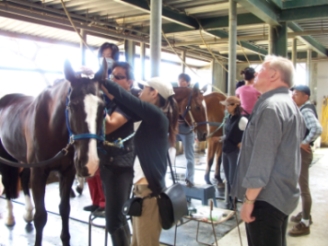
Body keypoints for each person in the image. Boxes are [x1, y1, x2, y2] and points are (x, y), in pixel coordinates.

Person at [231, 55, 305, 246]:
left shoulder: (271, 107)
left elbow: (262, 160)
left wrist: (249, 201)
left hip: (265, 199)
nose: (255, 73)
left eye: (261, 69)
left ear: (273, 75)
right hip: (281, 195)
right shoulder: (288, 104)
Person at [101, 76, 179, 246]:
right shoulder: (150, 117)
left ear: (154, 93)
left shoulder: (156, 115)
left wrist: (104, 80)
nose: (140, 91)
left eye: (144, 88)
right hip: (142, 191)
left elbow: (126, 98)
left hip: (148, 193)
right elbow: (123, 102)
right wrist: (102, 88)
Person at [97, 62, 136, 245]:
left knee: (113, 221)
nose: (113, 79)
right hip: (108, 164)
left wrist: (95, 106)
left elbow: (109, 126)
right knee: (117, 217)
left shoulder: (128, 103)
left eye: (119, 77)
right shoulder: (111, 102)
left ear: (130, 82)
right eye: (112, 76)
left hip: (120, 166)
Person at [83, 42, 120, 213]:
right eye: (103, 55)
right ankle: (95, 200)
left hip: (108, 123)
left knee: (101, 168)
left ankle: (104, 202)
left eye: (109, 56)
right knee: (91, 167)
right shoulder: (95, 76)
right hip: (93, 125)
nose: (106, 59)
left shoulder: (116, 77)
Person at [289, 85, 322, 236]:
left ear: (305, 97)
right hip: (301, 153)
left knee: (304, 189)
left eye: (296, 94)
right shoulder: (305, 108)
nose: (293, 96)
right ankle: (304, 213)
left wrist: (305, 142)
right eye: (293, 94)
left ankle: (306, 223)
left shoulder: (306, 110)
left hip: (303, 154)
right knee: (303, 187)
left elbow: (317, 128)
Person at [219, 96, 248, 210]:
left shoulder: (242, 120)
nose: (226, 107)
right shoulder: (229, 118)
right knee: (227, 177)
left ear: (235, 105)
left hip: (234, 152)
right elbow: (228, 133)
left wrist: (243, 143)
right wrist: (222, 138)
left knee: (232, 178)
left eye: (228, 105)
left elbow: (251, 134)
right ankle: (231, 200)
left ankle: (234, 202)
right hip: (226, 150)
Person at [176, 73, 195, 187]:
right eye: (180, 80)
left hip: (187, 127)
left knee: (189, 155)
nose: (181, 82)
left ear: (188, 83)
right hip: (174, 127)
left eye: (184, 81)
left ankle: (190, 179)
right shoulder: (173, 93)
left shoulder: (191, 94)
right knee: (165, 151)